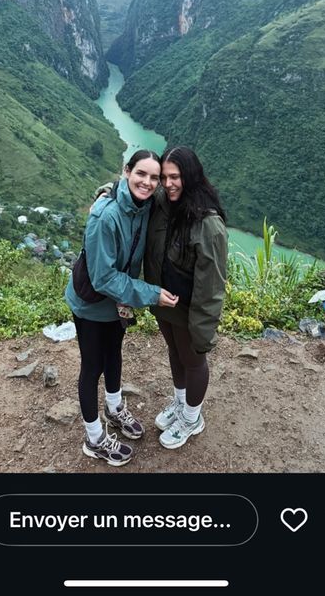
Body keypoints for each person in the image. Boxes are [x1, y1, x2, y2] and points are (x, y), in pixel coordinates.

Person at [65, 149, 178, 467]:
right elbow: (103, 278)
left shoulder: (144, 204)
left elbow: (176, 195)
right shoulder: (106, 216)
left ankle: (114, 410)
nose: (147, 181)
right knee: (92, 367)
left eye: (153, 177)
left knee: (113, 353)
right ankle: (93, 438)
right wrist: (152, 293)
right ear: (126, 171)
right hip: (92, 303)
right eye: (140, 173)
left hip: (119, 302)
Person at [144, 146, 227, 449]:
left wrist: (203, 330)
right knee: (175, 352)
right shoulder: (165, 203)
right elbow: (135, 188)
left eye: (175, 177)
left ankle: (192, 418)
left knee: (193, 360)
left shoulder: (208, 224)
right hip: (164, 301)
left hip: (190, 309)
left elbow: (212, 286)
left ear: (190, 177)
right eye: (165, 177)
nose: (168, 184)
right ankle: (181, 403)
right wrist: (106, 192)